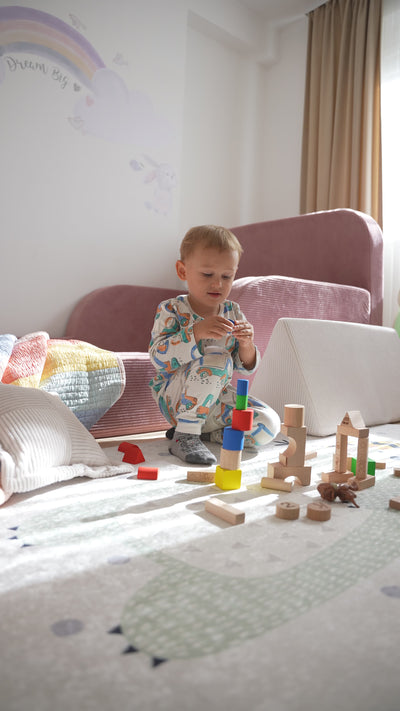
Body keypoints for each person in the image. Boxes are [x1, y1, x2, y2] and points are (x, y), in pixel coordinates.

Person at [148, 224, 281, 465]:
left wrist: (247, 344)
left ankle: (206, 434)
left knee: (269, 424)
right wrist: (195, 333)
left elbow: (245, 367)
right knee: (218, 358)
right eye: (208, 275)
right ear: (182, 271)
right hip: (176, 397)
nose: (218, 284)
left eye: (226, 276)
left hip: (216, 401)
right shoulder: (171, 309)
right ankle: (186, 434)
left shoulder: (233, 311)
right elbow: (158, 357)